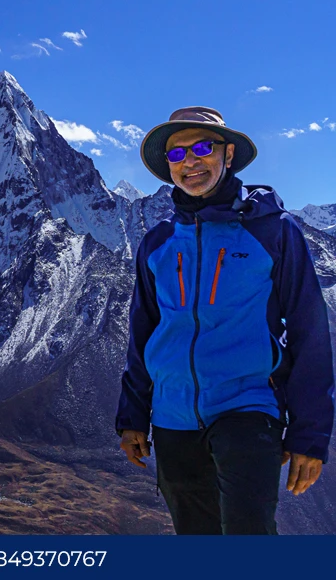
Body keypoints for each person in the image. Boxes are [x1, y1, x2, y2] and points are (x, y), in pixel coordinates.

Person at [115, 106, 335, 535]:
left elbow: (310, 330)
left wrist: (309, 434)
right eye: (177, 155)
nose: (190, 162)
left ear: (228, 155)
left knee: (247, 533)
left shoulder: (273, 232)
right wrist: (133, 414)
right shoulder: (157, 242)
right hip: (172, 416)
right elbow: (144, 331)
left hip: (248, 408)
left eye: (202, 147)